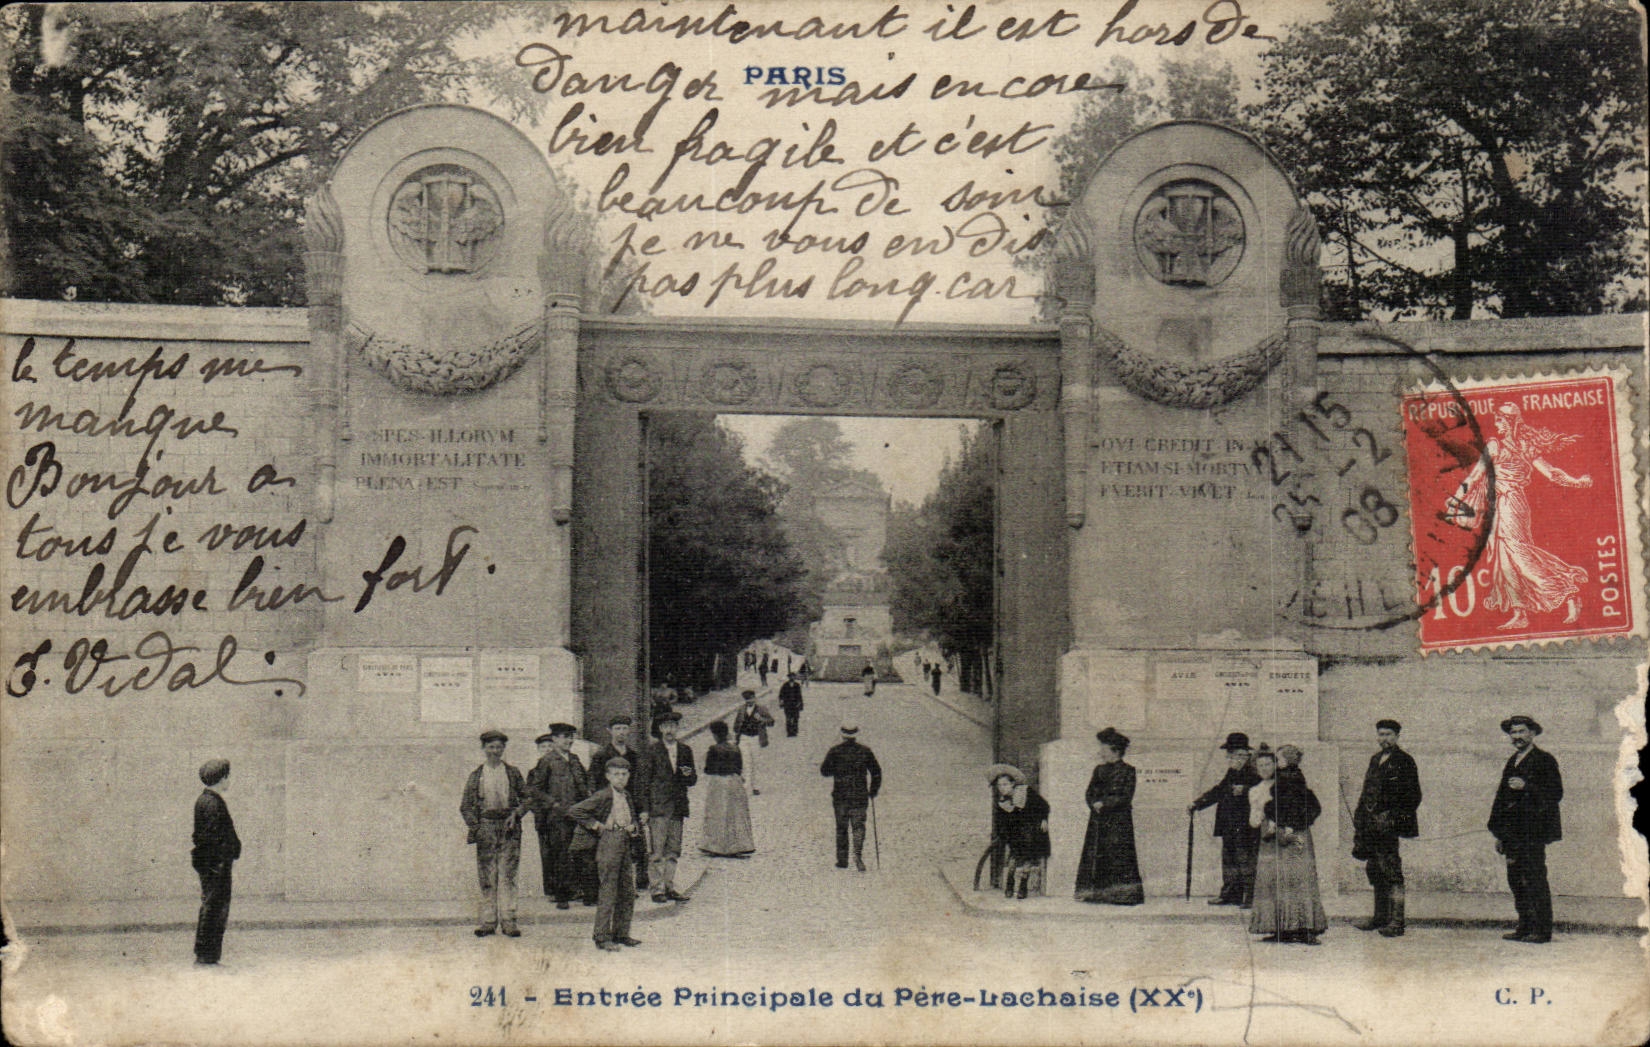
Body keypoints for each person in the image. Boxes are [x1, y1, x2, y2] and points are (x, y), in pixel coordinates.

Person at [1448, 402, 1591, 630]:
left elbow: (1475, 476)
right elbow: (1553, 473)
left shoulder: (1498, 446)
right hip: (1507, 504)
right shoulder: (1523, 447)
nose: (1496, 424)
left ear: (1508, 423)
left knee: (1520, 555)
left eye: (1499, 420)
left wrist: (1457, 499)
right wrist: (1576, 481)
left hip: (1510, 504)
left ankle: (1567, 592)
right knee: (1506, 558)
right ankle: (1520, 612)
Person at [1488, 715, 1563, 943]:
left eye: (1521, 731)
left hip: (1533, 833)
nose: (1517, 737)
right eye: (1513, 733)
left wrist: (1526, 786)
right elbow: (1501, 798)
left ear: (1532, 733)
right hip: (1512, 834)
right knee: (1515, 879)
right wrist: (1499, 833)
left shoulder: (1544, 760)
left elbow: (1555, 793)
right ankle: (1524, 926)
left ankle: (1541, 930)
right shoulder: (1512, 761)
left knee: (1534, 878)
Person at [1352, 719, 1423, 936]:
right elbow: (1367, 792)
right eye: (1381, 734)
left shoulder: (1405, 761)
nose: (1384, 739)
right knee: (1375, 871)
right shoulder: (1375, 760)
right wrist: (1359, 817)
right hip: (1370, 828)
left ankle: (1396, 922)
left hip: (1388, 828)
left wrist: (1393, 818)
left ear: (1397, 736)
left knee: (1391, 872)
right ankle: (1379, 918)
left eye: (1389, 735)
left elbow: (1414, 796)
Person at [1251, 745, 1327, 945]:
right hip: (1292, 833)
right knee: (1292, 880)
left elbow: (1288, 805)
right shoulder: (1294, 778)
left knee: (1291, 880)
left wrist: (1282, 820)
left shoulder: (1288, 779)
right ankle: (1297, 928)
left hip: (1290, 834)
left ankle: (1295, 928)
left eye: (1279, 758)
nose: (1276, 762)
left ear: (1287, 760)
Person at [567, 757, 644, 951]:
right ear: (608, 776)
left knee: (627, 891)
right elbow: (575, 811)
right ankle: (601, 936)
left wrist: (634, 826)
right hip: (609, 841)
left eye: (624, 774)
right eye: (616, 774)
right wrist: (597, 826)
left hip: (625, 841)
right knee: (608, 889)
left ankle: (621, 933)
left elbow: (632, 816)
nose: (620, 778)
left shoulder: (626, 795)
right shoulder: (602, 795)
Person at [459, 730, 529, 938]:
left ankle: (509, 921)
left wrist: (516, 815)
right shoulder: (477, 775)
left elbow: (527, 799)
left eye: (499, 747)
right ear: (484, 749)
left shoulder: (513, 773)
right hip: (487, 828)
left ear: (503, 749)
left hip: (509, 829)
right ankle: (488, 921)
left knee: (508, 875)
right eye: (491, 747)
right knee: (487, 877)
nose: (495, 751)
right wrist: (477, 827)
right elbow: (465, 806)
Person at [1188, 732, 1260, 906]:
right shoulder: (1232, 771)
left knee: (1245, 860)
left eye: (1234, 754)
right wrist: (1198, 804)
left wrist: (1245, 790)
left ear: (1244, 754)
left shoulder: (1254, 771)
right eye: (1230, 754)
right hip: (1228, 824)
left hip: (1245, 825)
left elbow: (1264, 791)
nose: (1229, 757)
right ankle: (1230, 894)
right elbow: (1219, 790)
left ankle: (1250, 897)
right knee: (1229, 860)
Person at [1075, 727, 1144, 904]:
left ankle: (1123, 896)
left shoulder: (1128, 771)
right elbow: (1089, 792)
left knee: (1119, 856)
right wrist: (1094, 804)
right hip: (1098, 821)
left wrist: (1104, 804)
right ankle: (1097, 894)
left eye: (1103, 748)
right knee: (1098, 856)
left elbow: (1125, 796)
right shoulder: (1098, 770)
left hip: (1119, 822)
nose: (1100, 752)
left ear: (1114, 750)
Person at [526, 723, 590, 910]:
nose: (568, 740)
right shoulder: (547, 761)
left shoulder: (575, 760)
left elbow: (584, 784)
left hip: (577, 815)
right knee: (561, 855)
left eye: (570, 737)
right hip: (558, 817)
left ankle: (581, 891)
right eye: (564, 737)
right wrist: (553, 804)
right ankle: (561, 895)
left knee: (579, 852)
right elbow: (536, 789)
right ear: (554, 739)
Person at [639, 711, 697, 904]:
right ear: (660, 729)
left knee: (673, 850)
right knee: (657, 851)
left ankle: (669, 886)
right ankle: (656, 889)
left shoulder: (685, 750)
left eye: (673, 726)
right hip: (658, 808)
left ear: (677, 728)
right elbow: (644, 782)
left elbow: (692, 779)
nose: (669, 730)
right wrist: (645, 809)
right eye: (666, 727)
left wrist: (687, 774)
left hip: (678, 807)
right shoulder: (651, 751)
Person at [588, 714, 649, 890]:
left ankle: (636, 883)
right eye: (617, 729)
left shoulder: (634, 756)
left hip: (631, 805)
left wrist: (643, 809)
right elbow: (593, 782)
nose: (621, 733)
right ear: (610, 731)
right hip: (609, 806)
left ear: (629, 731)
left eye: (624, 728)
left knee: (635, 844)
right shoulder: (601, 755)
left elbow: (640, 784)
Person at [191, 758, 241, 965]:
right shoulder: (213, 803)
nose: (229, 780)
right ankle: (207, 955)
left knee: (212, 905)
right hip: (216, 865)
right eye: (227, 776)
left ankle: (206, 954)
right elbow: (213, 837)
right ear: (221, 778)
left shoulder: (205, 800)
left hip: (211, 863)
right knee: (215, 907)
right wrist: (223, 858)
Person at [821, 724, 882, 871]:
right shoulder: (865, 751)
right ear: (856, 735)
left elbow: (824, 771)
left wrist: (837, 769)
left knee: (841, 828)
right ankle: (858, 854)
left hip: (841, 796)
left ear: (842, 735)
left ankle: (842, 860)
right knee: (858, 826)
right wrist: (873, 790)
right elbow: (876, 772)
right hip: (859, 795)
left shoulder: (835, 751)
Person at [988, 764, 1050, 900]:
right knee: (1013, 859)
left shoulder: (1025, 792)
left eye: (1005, 784)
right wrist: (1002, 834)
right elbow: (1000, 821)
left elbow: (1043, 805)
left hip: (1030, 831)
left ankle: (1023, 886)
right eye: (999, 785)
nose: (1002, 788)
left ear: (1013, 784)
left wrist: (1043, 819)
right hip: (1014, 834)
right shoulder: (1002, 802)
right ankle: (1010, 884)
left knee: (1028, 858)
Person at [698, 721, 756, 857]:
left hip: (719, 782)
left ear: (715, 735)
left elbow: (709, 769)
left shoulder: (713, 749)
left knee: (717, 813)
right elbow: (739, 767)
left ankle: (715, 845)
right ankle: (737, 845)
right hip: (734, 782)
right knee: (735, 814)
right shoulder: (736, 748)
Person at [732, 690, 776, 795]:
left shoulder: (761, 709)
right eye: (747, 699)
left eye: (751, 698)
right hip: (744, 738)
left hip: (756, 737)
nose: (749, 701)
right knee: (746, 761)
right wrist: (737, 733)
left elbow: (771, 722)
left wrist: (761, 719)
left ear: (755, 698)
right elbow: (736, 725)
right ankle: (746, 786)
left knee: (755, 761)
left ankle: (756, 786)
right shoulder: (741, 710)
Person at [778, 672, 805, 737]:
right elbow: (781, 694)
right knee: (788, 718)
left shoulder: (797, 685)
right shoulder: (785, 685)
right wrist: (781, 702)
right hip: (788, 704)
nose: (792, 678)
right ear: (789, 677)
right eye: (790, 677)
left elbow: (799, 695)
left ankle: (795, 731)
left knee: (795, 718)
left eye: (793, 676)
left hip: (795, 704)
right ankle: (789, 732)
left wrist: (800, 704)